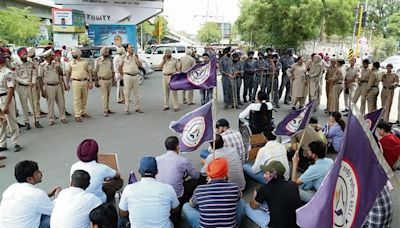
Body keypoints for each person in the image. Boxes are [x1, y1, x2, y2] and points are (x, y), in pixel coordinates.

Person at [182, 157, 245, 228]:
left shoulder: (199, 189)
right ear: (226, 173)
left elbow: (192, 204)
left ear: (209, 173)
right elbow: (241, 195)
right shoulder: (234, 188)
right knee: (241, 202)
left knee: (186, 206)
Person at [119, 156, 180, 228]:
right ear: (157, 171)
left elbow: (122, 213)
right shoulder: (168, 188)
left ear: (139, 171)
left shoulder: (129, 189)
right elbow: (175, 210)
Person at [0, 160, 61, 228]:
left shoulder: (10, 189)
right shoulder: (37, 194)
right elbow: (56, 211)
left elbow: (27, 201)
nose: (41, 173)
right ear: (29, 179)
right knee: (56, 218)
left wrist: (49, 194)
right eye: (37, 172)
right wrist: (57, 196)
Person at [245, 161, 303, 228]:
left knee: (246, 207)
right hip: (296, 224)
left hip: (275, 225)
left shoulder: (265, 189)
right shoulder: (293, 185)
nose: (264, 176)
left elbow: (253, 206)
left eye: (266, 173)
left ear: (273, 175)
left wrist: (254, 196)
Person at [156, 136, 201, 203]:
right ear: (177, 147)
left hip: (159, 194)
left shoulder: (157, 159)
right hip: (178, 197)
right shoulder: (183, 161)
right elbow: (196, 176)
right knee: (199, 179)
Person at [14, 47, 43, 129]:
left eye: (26, 54)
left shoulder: (30, 63)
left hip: (31, 86)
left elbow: (34, 73)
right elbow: (15, 77)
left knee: (34, 104)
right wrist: (26, 82)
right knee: (24, 105)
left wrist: (33, 82)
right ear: (19, 55)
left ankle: (36, 121)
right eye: (23, 54)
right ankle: (26, 122)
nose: (25, 56)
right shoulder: (16, 64)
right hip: (22, 87)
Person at [38, 49, 67, 126]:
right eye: (52, 55)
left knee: (61, 102)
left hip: (57, 85)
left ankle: (63, 117)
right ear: (48, 57)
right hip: (49, 86)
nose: (53, 56)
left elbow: (61, 73)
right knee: (50, 103)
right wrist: (42, 90)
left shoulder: (55, 64)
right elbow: (40, 78)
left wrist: (58, 68)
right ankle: (51, 119)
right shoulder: (42, 66)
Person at [65, 47, 93, 122]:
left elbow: (89, 72)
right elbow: (67, 74)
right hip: (75, 82)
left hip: (85, 81)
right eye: (72, 53)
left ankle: (83, 112)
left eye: (73, 53)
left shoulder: (85, 61)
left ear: (78, 53)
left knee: (84, 98)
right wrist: (66, 84)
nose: (72, 54)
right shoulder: (71, 63)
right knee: (77, 99)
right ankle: (77, 115)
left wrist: (90, 82)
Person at [0, 55, 21, 152]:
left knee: (11, 122)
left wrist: (6, 105)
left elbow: (10, 89)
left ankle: (16, 142)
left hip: (5, 98)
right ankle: (2, 144)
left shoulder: (7, 73)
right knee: (1, 123)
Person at [119, 44, 143, 115]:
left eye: (132, 47)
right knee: (127, 93)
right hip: (127, 76)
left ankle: (137, 108)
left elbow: (140, 65)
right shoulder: (123, 57)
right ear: (127, 49)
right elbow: (119, 67)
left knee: (136, 93)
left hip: (135, 76)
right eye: (130, 48)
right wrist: (122, 75)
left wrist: (136, 60)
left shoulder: (136, 56)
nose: (132, 49)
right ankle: (126, 109)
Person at [93, 47, 115, 117]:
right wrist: (96, 82)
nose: (107, 53)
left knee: (108, 95)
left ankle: (108, 108)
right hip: (102, 80)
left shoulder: (109, 60)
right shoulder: (98, 60)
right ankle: (105, 110)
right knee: (104, 95)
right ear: (102, 52)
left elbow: (112, 69)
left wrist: (113, 78)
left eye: (108, 52)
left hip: (110, 79)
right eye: (105, 52)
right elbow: (95, 71)